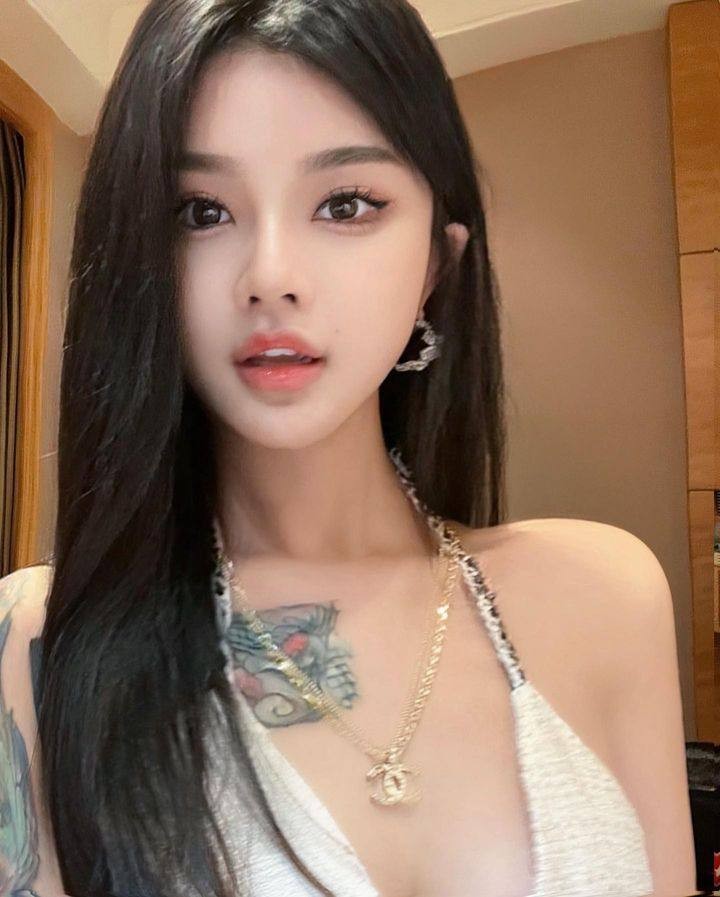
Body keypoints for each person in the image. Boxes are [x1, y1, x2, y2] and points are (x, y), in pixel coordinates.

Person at [0, 1, 698, 895]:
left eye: (345, 204)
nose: (271, 276)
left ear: (437, 263)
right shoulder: (43, 643)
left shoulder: (607, 594)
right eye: (201, 212)